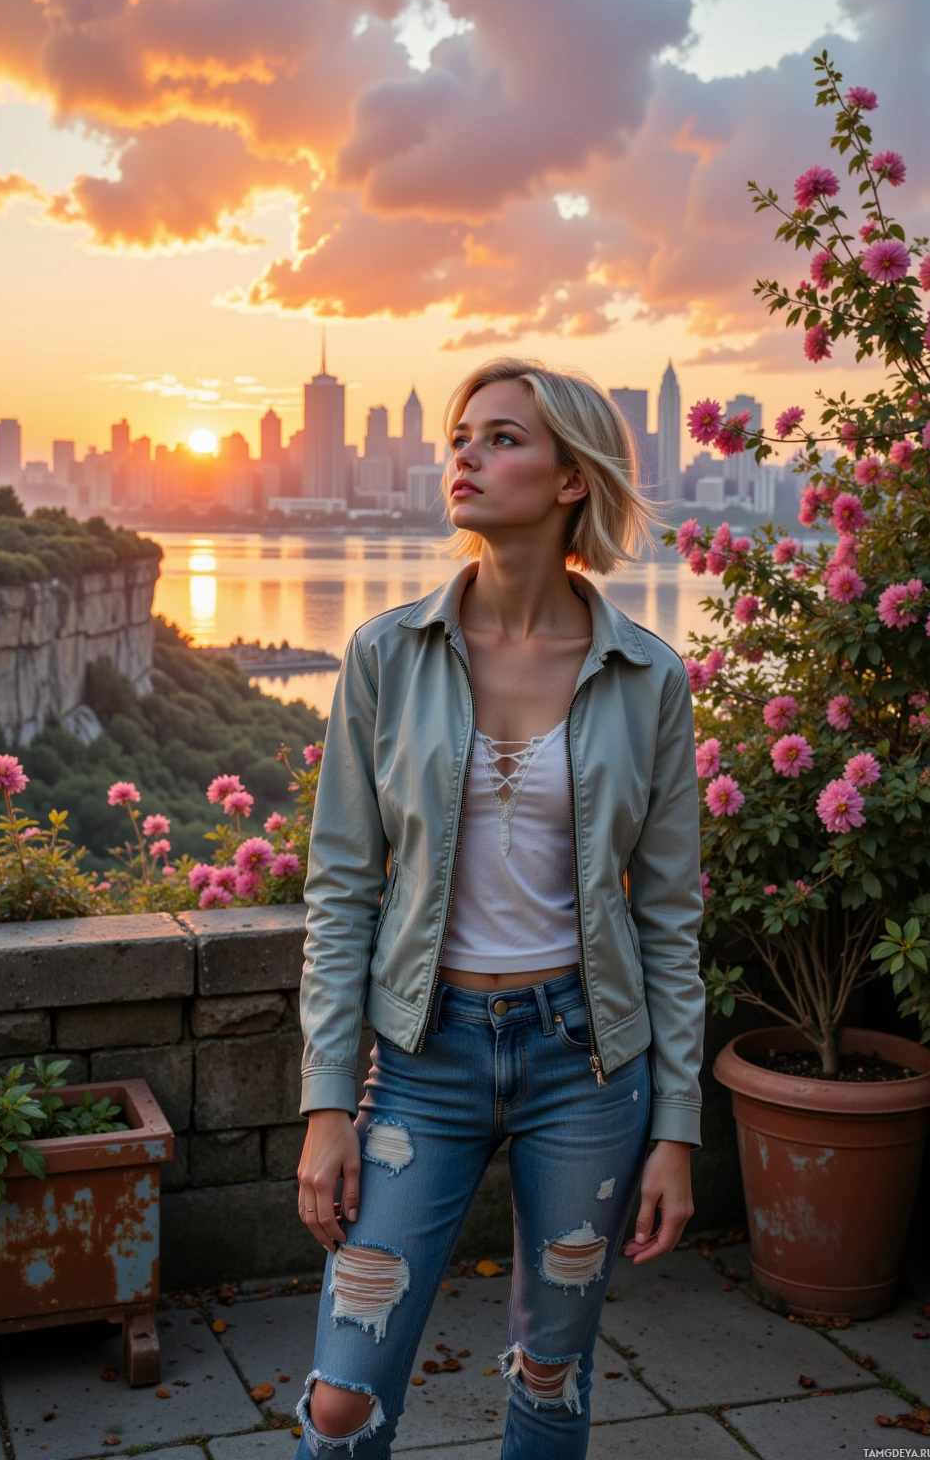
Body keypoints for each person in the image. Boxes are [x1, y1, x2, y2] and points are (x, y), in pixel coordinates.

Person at [292, 356, 705, 1458]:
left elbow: (667, 918)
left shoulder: (647, 677)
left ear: (573, 479)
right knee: (343, 1396)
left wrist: (677, 1127)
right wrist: (329, 1101)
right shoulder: (388, 654)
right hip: (423, 1060)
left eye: (502, 437)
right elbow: (341, 887)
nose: (465, 454)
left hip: (589, 1064)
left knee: (550, 1373)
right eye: (461, 435)